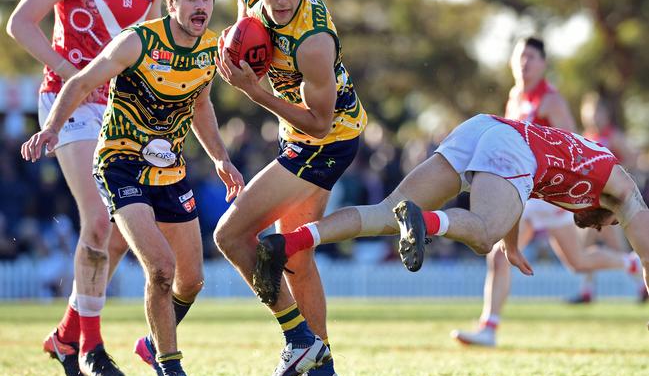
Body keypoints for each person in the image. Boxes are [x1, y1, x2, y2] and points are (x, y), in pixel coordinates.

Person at [21, 0, 244, 376]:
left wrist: (221, 158)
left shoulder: (210, 49)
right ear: (171, 2)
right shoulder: (138, 40)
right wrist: (51, 128)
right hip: (121, 163)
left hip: (169, 170)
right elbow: (82, 81)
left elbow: (201, 104)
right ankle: (170, 366)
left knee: (191, 280)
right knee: (160, 268)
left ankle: (137, 341)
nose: (201, 6)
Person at [253, 116, 649, 333]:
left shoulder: (589, 171)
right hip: (511, 148)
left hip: (486, 128)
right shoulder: (622, 191)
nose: (602, 228)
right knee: (482, 235)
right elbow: (646, 252)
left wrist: (511, 246)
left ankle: (287, 243)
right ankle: (423, 221)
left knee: (387, 211)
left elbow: (516, 191)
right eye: (609, 224)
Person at [7, 0, 161, 376]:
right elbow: (19, 23)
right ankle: (89, 348)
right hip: (67, 103)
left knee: (119, 230)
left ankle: (65, 334)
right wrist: (69, 71)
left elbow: (146, 52)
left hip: (118, 110)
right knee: (97, 219)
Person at [214, 0, 367, 376]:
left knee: (230, 235)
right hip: (298, 137)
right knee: (297, 254)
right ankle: (322, 370)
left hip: (328, 139)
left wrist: (252, 90)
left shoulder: (314, 43)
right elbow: (249, 6)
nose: (282, 1)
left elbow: (319, 122)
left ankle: (299, 340)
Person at [451, 38, 640, 346]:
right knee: (523, 257)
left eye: (531, 57)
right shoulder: (514, 98)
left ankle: (489, 326)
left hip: (551, 196)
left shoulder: (551, 101)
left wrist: (577, 196)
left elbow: (572, 146)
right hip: (528, 195)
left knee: (565, 260)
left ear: (543, 64)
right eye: (519, 56)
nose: (524, 62)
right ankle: (629, 263)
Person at [568, 92, 644, 303]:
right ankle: (586, 291)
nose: (593, 117)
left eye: (596, 113)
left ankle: (642, 287)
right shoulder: (586, 136)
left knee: (619, 249)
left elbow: (633, 158)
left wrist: (618, 179)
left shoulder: (613, 136)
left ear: (606, 113)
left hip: (611, 204)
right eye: (588, 113)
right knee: (584, 248)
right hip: (592, 203)